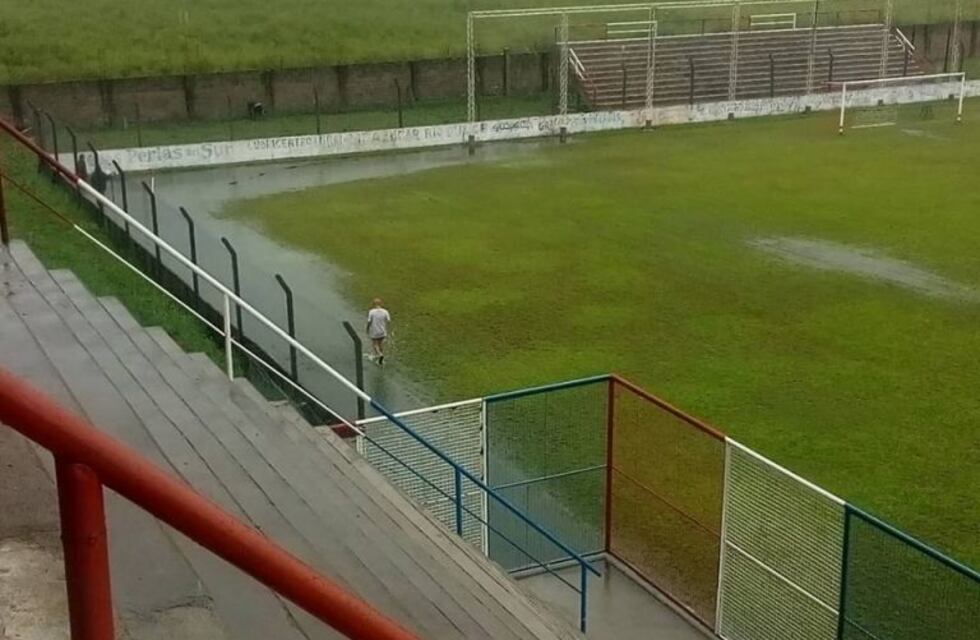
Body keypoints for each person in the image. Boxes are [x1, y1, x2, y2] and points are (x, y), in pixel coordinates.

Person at [366, 298, 391, 365]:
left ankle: (379, 354)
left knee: (375, 344)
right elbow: (388, 321)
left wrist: (367, 329)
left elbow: (369, 321)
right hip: (382, 330)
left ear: (374, 304)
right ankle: (381, 356)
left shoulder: (371, 312)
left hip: (375, 330)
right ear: (381, 304)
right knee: (381, 343)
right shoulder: (385, 311)